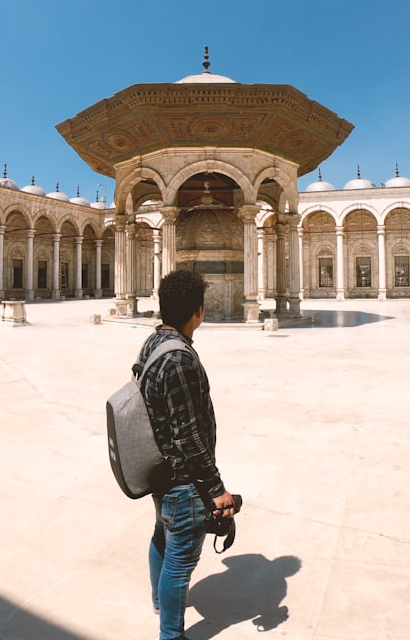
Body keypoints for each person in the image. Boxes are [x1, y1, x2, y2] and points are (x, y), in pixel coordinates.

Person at [134, 269, 239, 640]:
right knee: (180, 563)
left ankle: (159, 603)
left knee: (162, 538)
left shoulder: (154, 343)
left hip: (160, 469)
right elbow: (189, 435)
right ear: (199, 311)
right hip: (182, 480)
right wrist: (216, 489)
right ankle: (171, 634)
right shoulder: (180, 359)